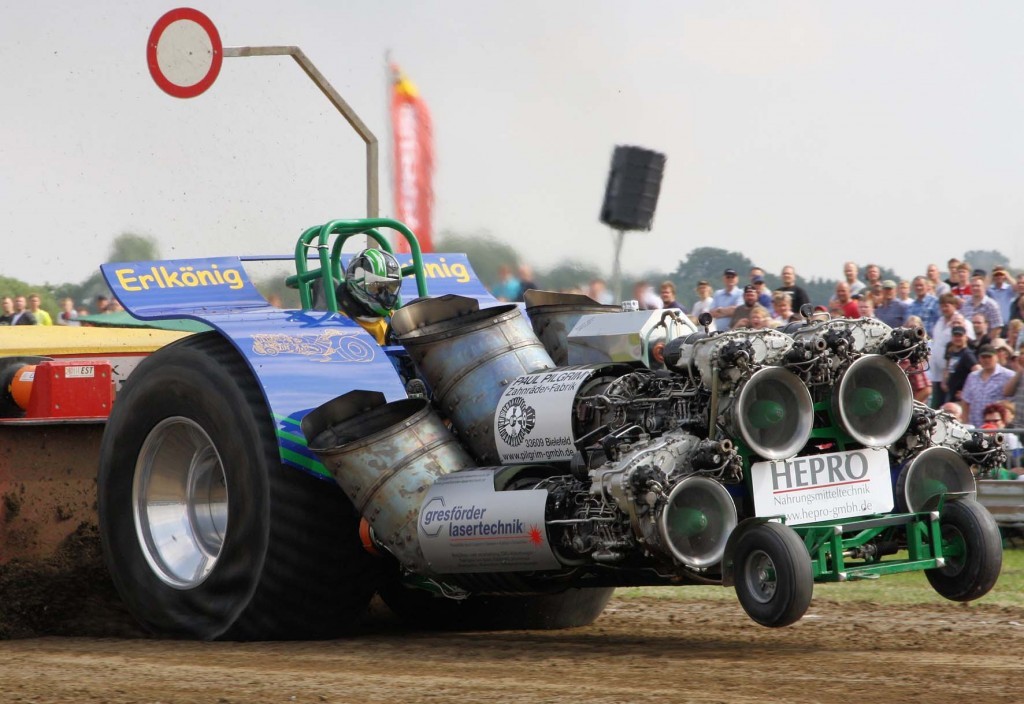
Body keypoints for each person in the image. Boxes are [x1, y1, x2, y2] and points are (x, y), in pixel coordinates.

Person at [336, 248, 403, 343]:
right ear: (357, 284)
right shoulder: (338, 322)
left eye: (390, 287)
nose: (385, 294)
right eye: (376, 286)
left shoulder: (396, 320)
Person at [928, 294, 974, 408]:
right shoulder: (939, 321)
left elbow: (968, 343)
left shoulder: (963, 322)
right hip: (938, 374)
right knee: (937, 407)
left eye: (947, 305)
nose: (944, 308)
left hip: (956, 376)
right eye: (942, 306)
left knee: (951, 407)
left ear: (954, 306)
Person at [960, 344, 1014, 427]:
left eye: (989, 357)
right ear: (979, 359)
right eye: (983, 357)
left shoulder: (1009, 376)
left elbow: (1013, 403)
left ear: (996, 357)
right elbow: (966, 401)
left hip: (997, 426)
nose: (986, 360)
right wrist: (965, 423)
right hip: (975, 425)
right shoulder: (972, 376)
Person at [943, 324, 978, 405]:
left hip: (961, 399)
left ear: (966, 337)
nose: (957, 338)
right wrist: (945, 381)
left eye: (960, 336)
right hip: (951, 394)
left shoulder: (967, 354)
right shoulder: (952, 352)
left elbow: (978, 373)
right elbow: (949, 368)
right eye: (955, 336)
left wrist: (966, 392)